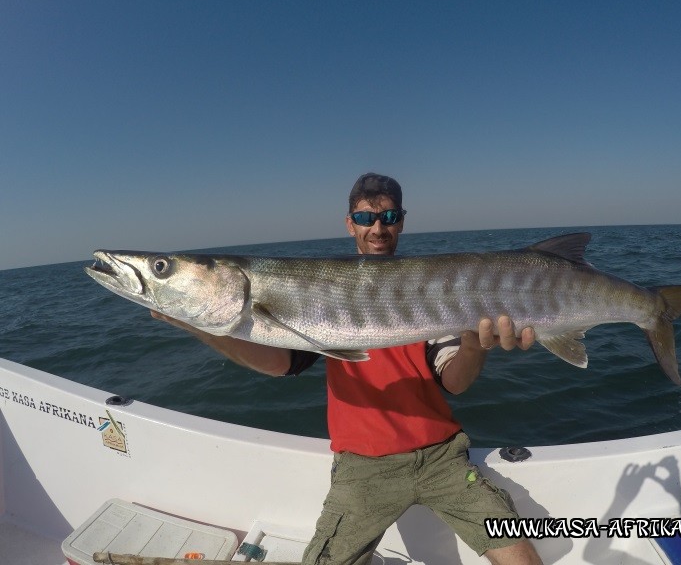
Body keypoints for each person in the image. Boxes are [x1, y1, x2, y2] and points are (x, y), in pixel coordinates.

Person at [152, 173, 543, 565]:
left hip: (443, 458)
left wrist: (475, 343)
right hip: (363, 468)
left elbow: (455, 383)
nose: (377, 228)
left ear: (402, 221)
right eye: (365, 217)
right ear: (349, 223)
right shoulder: (322, 292)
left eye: (389, 217)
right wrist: (201, 326)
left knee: (523, 559)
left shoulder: (435, 290)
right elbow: (280, 363)